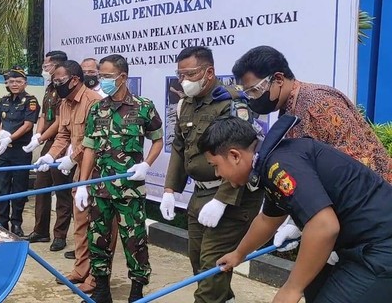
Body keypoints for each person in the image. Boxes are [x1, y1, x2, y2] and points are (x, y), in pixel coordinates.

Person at [232, 45, 392, 301]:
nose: (252, 99)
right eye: (247, 93)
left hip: (371, 228)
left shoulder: (319, 103)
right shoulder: (289, 111)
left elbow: (362, 164)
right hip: (338, 223)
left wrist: (322, 224)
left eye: (255, 89)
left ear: (279, 79)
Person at [202, 115, 392, 303]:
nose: (218, 174)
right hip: (361, 243)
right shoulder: (269, 162)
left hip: (379, 246)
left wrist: (291, 289)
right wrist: (239, 254)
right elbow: (269, 219)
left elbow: (324, 226)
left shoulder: (278, 166)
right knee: (315, 288)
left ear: (235, 155)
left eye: (216, 166)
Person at [162, 46, 263, 303]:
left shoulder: (232, 103)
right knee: (199, 264)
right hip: (199, 195)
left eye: (190, 74)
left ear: (209, 72)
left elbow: (244, 156)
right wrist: (169, 190)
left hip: (230, 196)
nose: (184, 80)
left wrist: (221, 199)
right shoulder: (186, 104)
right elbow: (179, 146)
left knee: (210, 271)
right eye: (180, 74)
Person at [78, 54, 164, 303]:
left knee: (135, 241)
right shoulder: (97, 108)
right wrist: (84, 184)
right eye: (100, 75)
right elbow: (90, 148)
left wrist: (146, 164)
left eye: (105, 76)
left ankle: (136, 291)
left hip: (130, 190)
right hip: (100, 187)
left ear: (122, 77)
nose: (101, 80)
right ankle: (102, 289)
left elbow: (157, 139)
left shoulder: (143, 106)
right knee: (98, 239)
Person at [34, 60, 117, 294]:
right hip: (81, 171)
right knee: (80, 222)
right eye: (54, 81)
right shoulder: (64, 102)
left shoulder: (95, 102)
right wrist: (50, 156)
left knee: (100, 227)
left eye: (59, 80)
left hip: (101, 172)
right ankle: (81, 270)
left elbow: (97, 140)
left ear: (74, 80)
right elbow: (63, 134)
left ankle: (97, 277)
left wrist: (73, 157)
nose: (56, 84)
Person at [22, 50, 73, 252]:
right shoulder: (49, 88)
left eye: (47, 66)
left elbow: (61, 120)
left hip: (62, 142)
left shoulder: (66, 90)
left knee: (61, 191)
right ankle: (41, 230)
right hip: (47, 141)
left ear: (58, 66)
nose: (44, 69)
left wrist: (41, 137)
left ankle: (59, 235)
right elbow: (44, 114)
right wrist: (38, 135)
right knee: (41, 187)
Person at [0, 67, 40, 237]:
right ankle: (1, 222)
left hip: (20, 151)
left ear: (25, 83)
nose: (14, 84)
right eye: (11, 81)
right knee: (2, 188)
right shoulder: (3, 100)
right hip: (4, 151)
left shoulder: (30, 101)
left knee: (19, 189)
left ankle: (16, 223)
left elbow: (28, 125)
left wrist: (10, 138)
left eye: (18, 81)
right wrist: (1, 133)